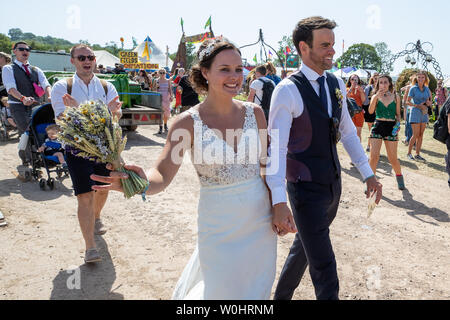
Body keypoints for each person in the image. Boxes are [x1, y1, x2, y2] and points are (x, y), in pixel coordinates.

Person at [91, 39, 296, 299]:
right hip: (218, 223)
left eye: (238, 68)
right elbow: (162, 175)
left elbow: (269, 163)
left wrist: (280, 203)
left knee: (255, 290)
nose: (235, 76)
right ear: (205, 73)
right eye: (225, 69)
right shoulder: (186, 123)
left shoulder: (255, 113)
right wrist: (140, 182)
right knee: (220, 291)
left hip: (260, 220)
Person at [267, 16, 382, 300]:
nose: (332, 50)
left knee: (303, 250)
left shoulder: (336, 83)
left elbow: (347, 133)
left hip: (332, 186)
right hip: (304, 189)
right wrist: (279, 202)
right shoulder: (287, 90)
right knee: (325, 269)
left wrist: (368, 173)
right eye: (325, 45)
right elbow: (276, 150)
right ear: (303, 48)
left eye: (332, 44)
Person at [51, 44, 123, 264]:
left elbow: (116, 116)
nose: (87, 60)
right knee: (85, 195)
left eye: (90, 56)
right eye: (81, 57)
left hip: (105, 149)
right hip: (77, 150)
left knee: (102, 190)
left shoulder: (106, 85)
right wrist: (102, 113)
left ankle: (97, 216)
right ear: (72, 60)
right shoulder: (62, 87)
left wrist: (78, 110)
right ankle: (90, 247)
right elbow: (62, 120)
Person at [2, 42, 52, 165]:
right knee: (26, 131)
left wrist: (50, 96)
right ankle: (28, 158)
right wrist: (23, 98)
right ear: (15, 51)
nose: (25, 51)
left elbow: (46, 84)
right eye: (21, 49)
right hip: (18, 105)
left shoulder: (36, 69)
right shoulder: (8, 68)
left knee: (42, 130)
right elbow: (10, 88)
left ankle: (43, 156)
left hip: (36, 105)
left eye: (27, 49)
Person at [368, 75, 405, 190]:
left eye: (385, 82)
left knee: (393, 158)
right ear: (378, 84)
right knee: (374, 156)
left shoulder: (396, 96)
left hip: (391, 127)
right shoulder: (375, 96)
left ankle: (399, 177)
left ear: (389, 83)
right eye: (380, 82)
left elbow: (398, 114)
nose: (383, 85)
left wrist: (398, 124)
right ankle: (371, 182)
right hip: (378, 125)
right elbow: (370, 111)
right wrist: (375, 98)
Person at [406, 70, 432, 161]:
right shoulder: (413, 88)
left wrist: (428, 103)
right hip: (415, 112)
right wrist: (417, 105)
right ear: (416, 78)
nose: (421, 79)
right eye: (419, 77)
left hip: (424, 113)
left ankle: (417, 154)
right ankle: (409, 153)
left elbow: (430, 101)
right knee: (415, 134)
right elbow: (407, 102)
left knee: (421, 134)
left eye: (422, 77)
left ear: (425, 79)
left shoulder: (427, 89)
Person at [346, 74, 366, 142]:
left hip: (359, 112)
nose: (354, 81)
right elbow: (346, 97)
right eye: (352, 79)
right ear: (350, 81)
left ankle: (358, 150)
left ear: (358, 81)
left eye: (356, 79)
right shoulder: (347, 89)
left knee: (358, 133)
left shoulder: (360, 89)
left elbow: (363, 101)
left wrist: (361, 92)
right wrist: (351, 88)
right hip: (350, 113)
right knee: (350, 133)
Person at [362, 72, 379, 152]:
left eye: (377, 77)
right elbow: (364, 101)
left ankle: (373, 146)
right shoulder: (369, 87)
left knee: (376, 129)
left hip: (379, 110)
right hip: (369, 110)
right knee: (371, 129)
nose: (376, 79)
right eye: (375, 77)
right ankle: (369, 145)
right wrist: (372, 99)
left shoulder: (381, 88)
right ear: (372, 78)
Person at [155, 68, 173, 134]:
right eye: (161, 73)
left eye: (163, 73)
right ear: (158, 74)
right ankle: (160, 127)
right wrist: (156, 87)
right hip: (159, 97)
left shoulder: (168, 81)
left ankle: (165, 124)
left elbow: (170, 89)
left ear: (165, 73)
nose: (162, 74)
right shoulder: (156, 80)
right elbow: (154, 90)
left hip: (167, 98)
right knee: (160, 113)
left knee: (166, 113)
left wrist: (171, 96)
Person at [401, 74, 416, 146]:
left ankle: (409, 140)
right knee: (413, 125)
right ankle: (411, 140)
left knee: (409, 124)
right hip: (415, 108)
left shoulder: (409, 86)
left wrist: (403, 105)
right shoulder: (419, 87)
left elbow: (405, 96)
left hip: (410, 107)